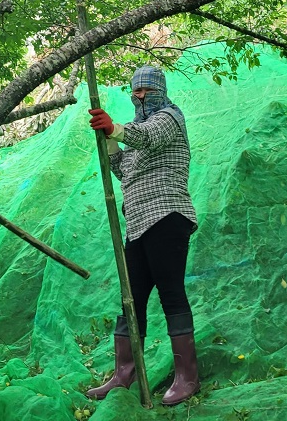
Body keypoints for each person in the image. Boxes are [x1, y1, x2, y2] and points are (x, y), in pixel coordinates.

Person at [85, 65, 200, 406]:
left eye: (146, 90)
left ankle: (187, 375)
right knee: (131, 298)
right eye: (135, 91)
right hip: (137, 223)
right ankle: (125, 372)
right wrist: (108, 141)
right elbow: (123, 171)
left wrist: (115, 128)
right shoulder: (134, 131)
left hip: (167, 215)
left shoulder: (169, 118)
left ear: (160, 91)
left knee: (170, 292)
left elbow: (147, 136)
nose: (139, 96)